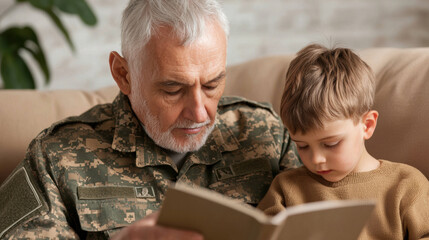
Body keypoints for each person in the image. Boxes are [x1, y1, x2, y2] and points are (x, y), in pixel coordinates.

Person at [0, 0, 301, 239]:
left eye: (212, 85)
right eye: (172, 89)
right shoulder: (56, 158)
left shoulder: (267, 134)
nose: (199, 112)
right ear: (123, 74)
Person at [257, 44, 429, 239]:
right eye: (302, 146)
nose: (316, 159)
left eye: (330, 144)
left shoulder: (406, 185)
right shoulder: (286, 189)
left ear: (367, 125)